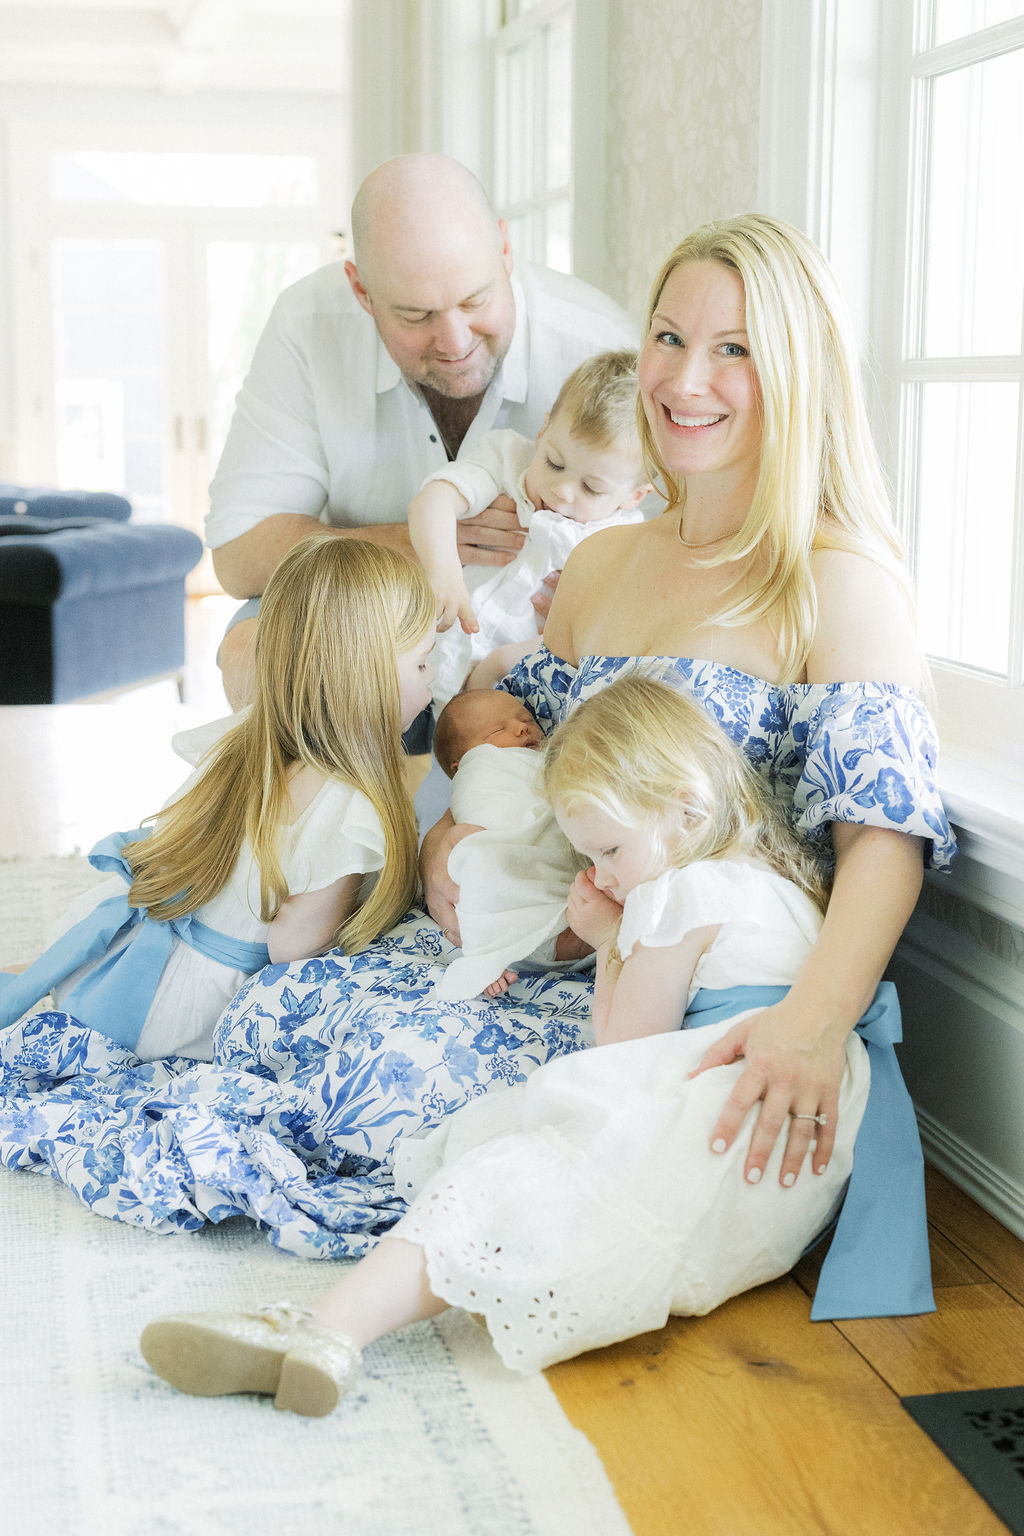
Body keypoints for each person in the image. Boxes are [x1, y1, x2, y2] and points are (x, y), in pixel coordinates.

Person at [137, 676, 867, 1415]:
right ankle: (323, 1330)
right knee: (527, 1192)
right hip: (798, 1151)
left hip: (719, 1109)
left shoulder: (675, 896)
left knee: (510, 1178)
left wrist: (614, 938)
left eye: (610, 850)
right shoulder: (772, 878)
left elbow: (620, 1045)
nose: (604, 874)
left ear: (686, 803)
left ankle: (327, 1329)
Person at [207, 154, 637, 715]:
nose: (454, 341)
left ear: (505, 251)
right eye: (415, 316)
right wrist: (420, 546)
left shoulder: (603, 351)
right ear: (361, 291)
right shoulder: (308, 325)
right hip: (362, 613)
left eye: (475, 300)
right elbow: (239, 554)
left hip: (538, 645)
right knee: (249, 655)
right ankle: (343, 804)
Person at [0, 535, 436, 1060]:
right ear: (363, 675)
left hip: (114, 962)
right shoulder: (344, 804)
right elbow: (293, 950)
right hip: (180, 1012)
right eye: (421, 664)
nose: (432, 685)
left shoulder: (245, 736)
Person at [409, 350, 650, 710]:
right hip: (428, 659)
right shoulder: (507, 459)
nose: (562, 490)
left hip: (515, 702)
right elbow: (433, 501)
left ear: (633, 496)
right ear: (543, 429)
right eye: (554, 463)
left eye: (591, 488)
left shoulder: (624, 542)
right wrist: (442, 572)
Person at [429, 689, 586, 999]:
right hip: (513, 912)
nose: (521, 728)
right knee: (476, 854)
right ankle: (487, 952)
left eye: (526, 719)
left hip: (554, 909)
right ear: (460, 765)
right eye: (498, 730)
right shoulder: (481, 776)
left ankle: (496, 949)